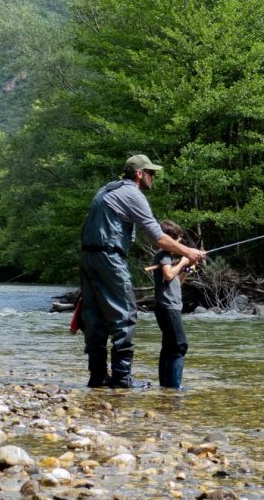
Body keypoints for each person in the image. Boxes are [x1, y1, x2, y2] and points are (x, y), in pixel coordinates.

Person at [78, 154, 204, 389]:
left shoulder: (105, 190)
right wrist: (188, 252)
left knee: (94, 317)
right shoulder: (133, 194)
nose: (153, 177)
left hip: (87, 257)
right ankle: (121, 378)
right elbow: (159, 237)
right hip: (109, 257)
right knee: (125, 313)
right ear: (139, 174)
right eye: (151, 173)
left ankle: (97, 376)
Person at [150, 220, 195, 389]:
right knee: (179, 345)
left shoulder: (166, 256)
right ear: (170, 238)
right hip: (167, 306)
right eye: (178, 239)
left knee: (169, 347)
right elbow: (168, 275)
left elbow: (175, 281)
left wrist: (186, 269)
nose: (180, 242)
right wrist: (183, 261)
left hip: (171, 305)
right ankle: (175, 386)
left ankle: (166, 387)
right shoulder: (163, 255)